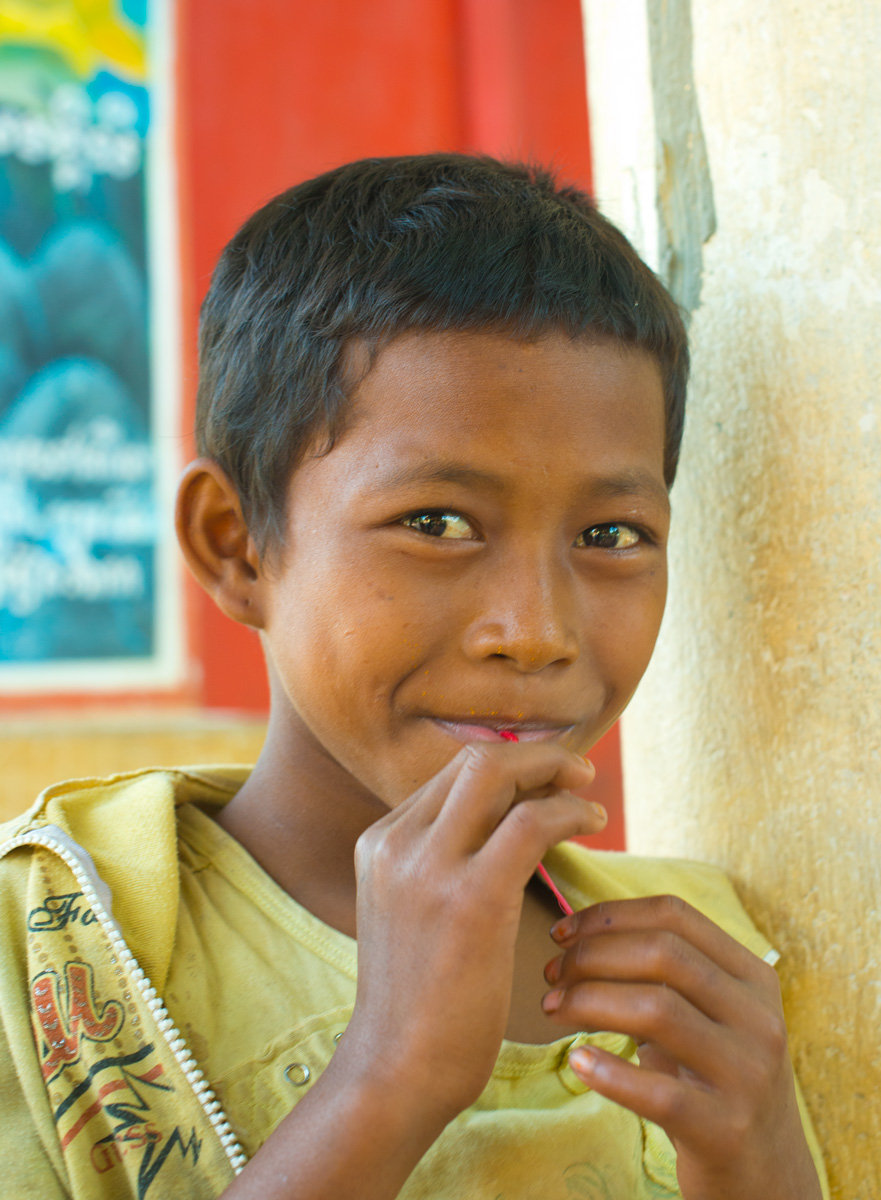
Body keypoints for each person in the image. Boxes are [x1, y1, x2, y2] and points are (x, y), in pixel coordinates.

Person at [0, 154, 829, 1200]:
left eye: (610, 534)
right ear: (235, 547)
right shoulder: (49, 954)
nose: (533, 631)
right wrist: (385, 1081)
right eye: (434, 524)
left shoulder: (709, 970)